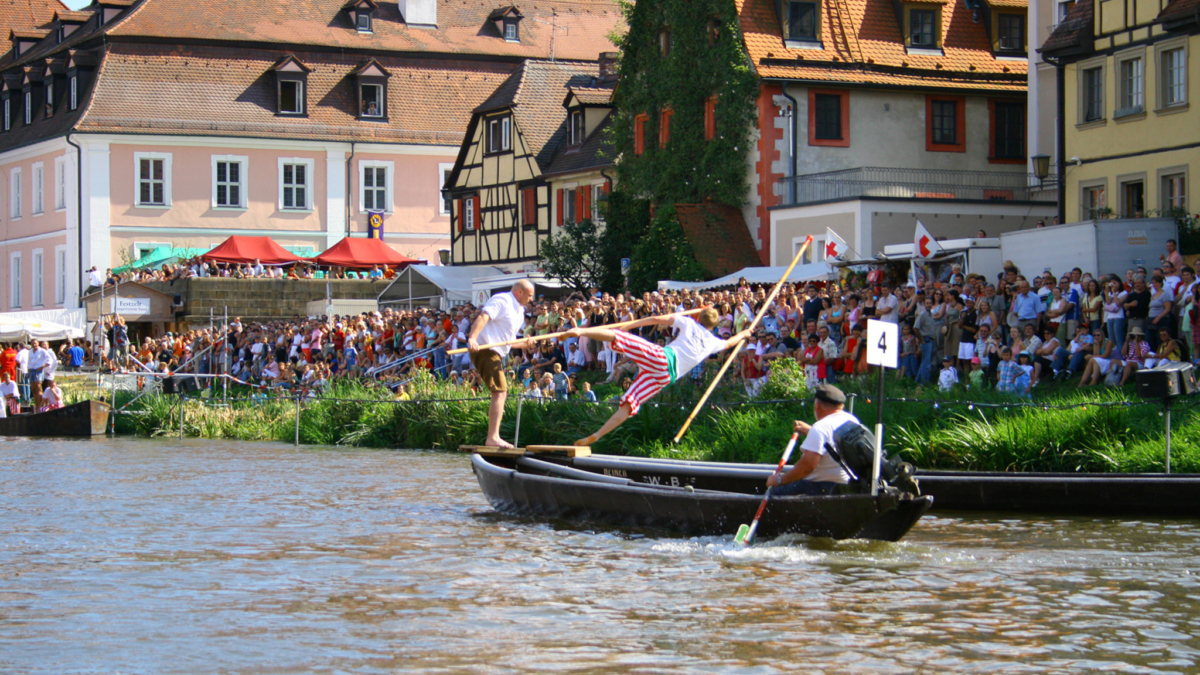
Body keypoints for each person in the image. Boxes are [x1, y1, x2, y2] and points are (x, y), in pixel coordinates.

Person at [565, 307, 750, 446]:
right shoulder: (714, 342)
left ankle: (581, 331)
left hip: (662, 358)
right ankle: (598, 434)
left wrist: (628, 325)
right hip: (666, 377)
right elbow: (730, 342)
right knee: (631, 403)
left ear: (699, 317)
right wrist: (745, 333)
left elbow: (654, 318)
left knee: (617, 337)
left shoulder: (689, 323)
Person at [467, 279, 535, 448]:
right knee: (500, 391)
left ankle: (493, 436)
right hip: (484, 349)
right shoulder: (502, 300)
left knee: (501, 392)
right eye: (530, 295)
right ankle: (493, 437)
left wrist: (524, 344)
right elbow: (484, 317)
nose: (531, 299)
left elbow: (508, 341)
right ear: (520, 292)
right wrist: (473, 338)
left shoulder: (520, 311)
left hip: (497, 351)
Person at [764, 384, 853, 496]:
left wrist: (779, 480)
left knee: (773, 493)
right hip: (847, 485)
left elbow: (807, 467)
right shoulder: (851, 420)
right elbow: (831, 439)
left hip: (821, 487)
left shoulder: (820, 428)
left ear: (817, 405)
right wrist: (810, 430)